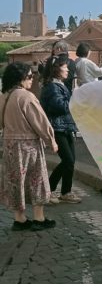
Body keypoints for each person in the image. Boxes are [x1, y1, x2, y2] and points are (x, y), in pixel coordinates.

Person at [0, 62, 58, 231]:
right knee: (36, 179)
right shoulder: (26, 97)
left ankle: (20, 219)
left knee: (15, 180)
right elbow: (40, 122)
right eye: (29, 77)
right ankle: (39, 218)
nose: (32, 80)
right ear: (21, 78)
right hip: (28, 145)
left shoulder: (4, 96)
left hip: (10, 144)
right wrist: (51, 140)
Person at [40, 57, 82, 205]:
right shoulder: (53, 87)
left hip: (65, 127)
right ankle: (49, 190)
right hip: (57, 128)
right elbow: (61, 107)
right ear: (57, 69)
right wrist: (75, 96)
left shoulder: (59, 85)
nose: (68, 70)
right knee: (68, 160)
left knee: (70, 161)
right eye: (65, 67)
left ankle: (66, 192)